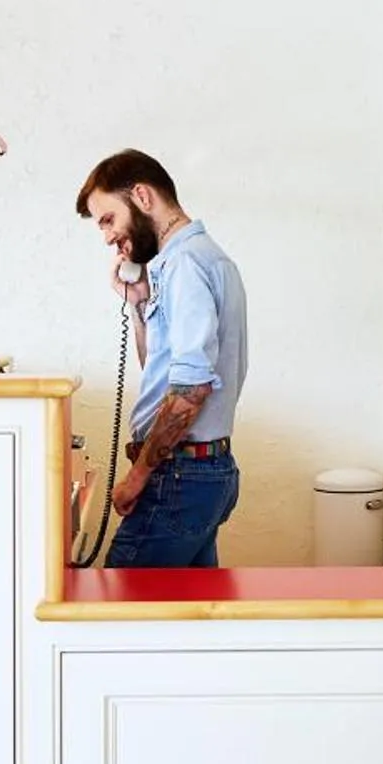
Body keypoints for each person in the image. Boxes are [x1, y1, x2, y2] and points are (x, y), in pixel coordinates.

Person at [76, 150, 248, 567]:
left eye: (108, 219)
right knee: (180, 616)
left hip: (179, 476)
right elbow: (161, 371)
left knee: (121, 609)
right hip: (196, 473)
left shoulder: (186, 263)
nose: (107, 237)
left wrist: (136, 478)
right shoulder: (187, 261)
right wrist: (138, 304)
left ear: (141, 196)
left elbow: (192, 388)